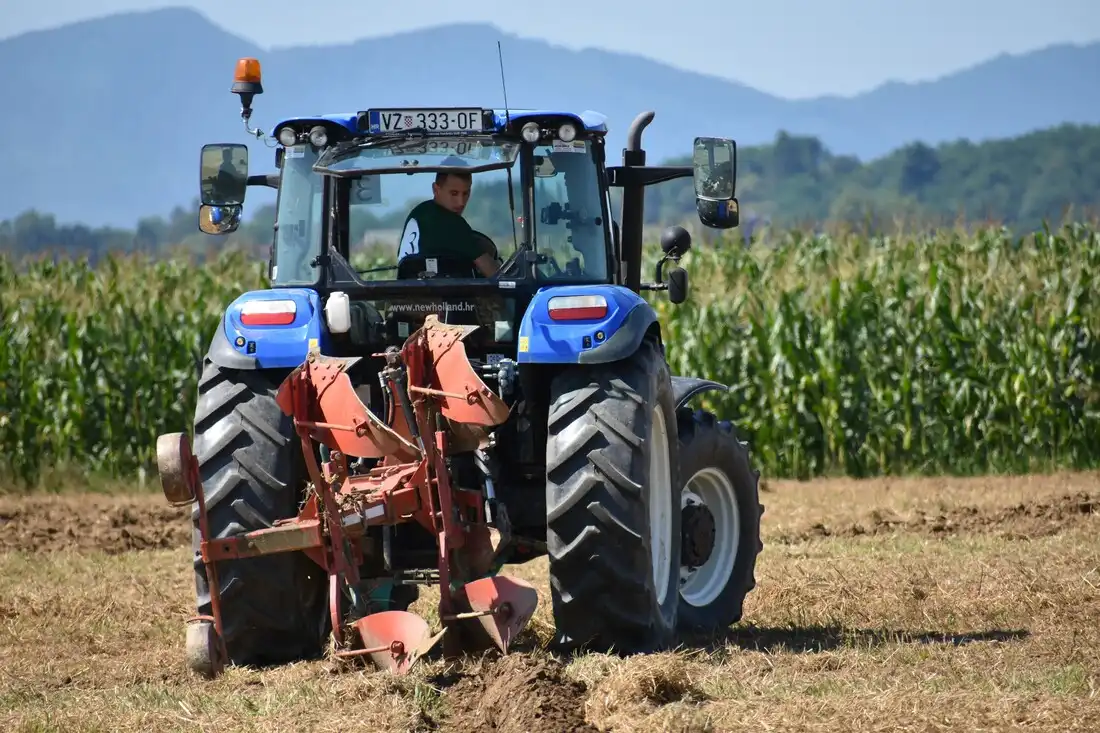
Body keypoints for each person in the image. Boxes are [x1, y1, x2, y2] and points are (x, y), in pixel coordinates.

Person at [397, 163, 499, 277]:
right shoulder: (452, 223)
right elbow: (493, 273)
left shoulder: (419, 212)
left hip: (406, 290)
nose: (461, 202)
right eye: (454, 193)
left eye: (466, 193)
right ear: (436, 189)